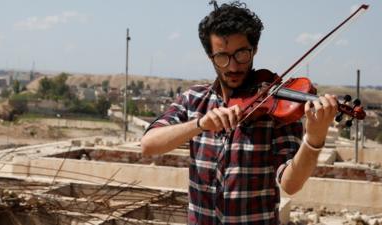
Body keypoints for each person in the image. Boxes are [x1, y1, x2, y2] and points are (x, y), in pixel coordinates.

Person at [141, 1, 338, 224]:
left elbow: (291, 183)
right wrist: (199, 124)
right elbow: (148, 145)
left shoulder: (276, 109)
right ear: (210, 57)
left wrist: (314, 138)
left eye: (241, 54)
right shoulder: (193, 100)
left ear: (254, 49)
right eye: (222, 57)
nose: (233, 67)